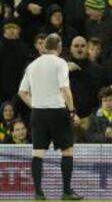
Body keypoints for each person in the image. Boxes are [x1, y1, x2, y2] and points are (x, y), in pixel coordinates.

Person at [17, 33, 83, 200]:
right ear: (59, 48)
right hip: (57, 111)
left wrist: (35, 105)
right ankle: (67, 192)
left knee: (38, 153)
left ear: (44, 47)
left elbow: (22, 92)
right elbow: (65, 89)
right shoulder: (60, 63)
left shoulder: (32, 65)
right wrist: (72, 112)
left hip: (38, 113)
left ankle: (38, 193)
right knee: (67, 151)